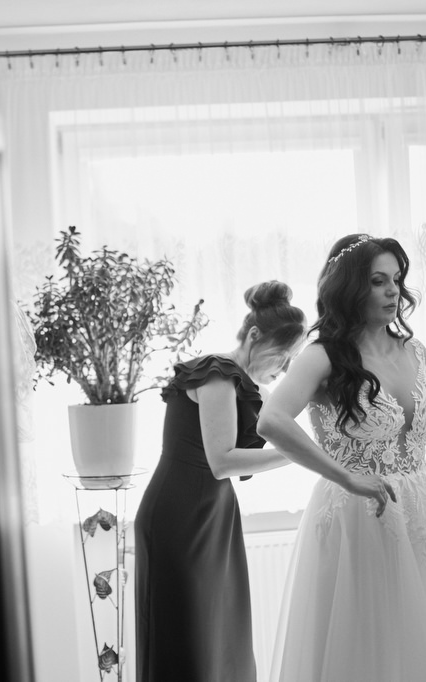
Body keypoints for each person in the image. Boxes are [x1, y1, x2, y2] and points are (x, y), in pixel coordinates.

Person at [257, 234, 426, 681]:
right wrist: (347, 477)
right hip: (358, 515)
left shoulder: (413, 350)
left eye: (396, 279)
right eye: (378, 281)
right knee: (366, 648)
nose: (393, 290)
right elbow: (271, 420)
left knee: (425, 641)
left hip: (422, 512)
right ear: (350, 288)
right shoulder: (321, 356)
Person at [134, 280, 307, 682]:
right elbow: (222, 461)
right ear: (254, 335)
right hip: (179, 517)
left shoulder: (250, 386)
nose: (284, 369)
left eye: (292, 361)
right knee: (187, 637)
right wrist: (297, 454)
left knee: (222, 636)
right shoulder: (216, 374)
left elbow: (285, 423)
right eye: (283, 356)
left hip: (215, 516)